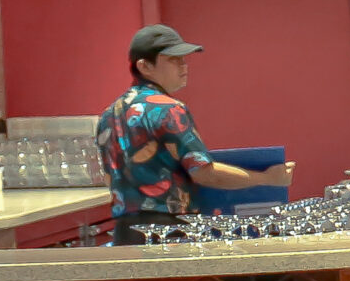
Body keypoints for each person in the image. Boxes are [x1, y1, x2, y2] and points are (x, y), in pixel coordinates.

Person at [97, 24, 293, 244]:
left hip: (124, 232)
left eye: (183, 59)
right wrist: (267, 178)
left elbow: (110, 178)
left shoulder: (108, 115)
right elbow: (204, 173)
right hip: (169, 231)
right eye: (173, 59)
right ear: (145, 66)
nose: (184, 65)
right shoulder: (168, 109)